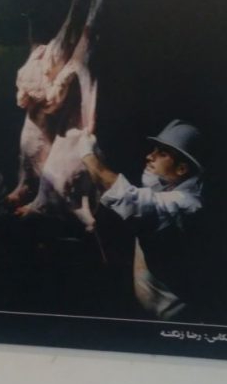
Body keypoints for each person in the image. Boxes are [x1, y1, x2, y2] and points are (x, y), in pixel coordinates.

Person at [78, 120, 204, 321]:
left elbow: (128, 197)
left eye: (162, 153)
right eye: (154, 150)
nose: (149, 156)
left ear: (181, 169)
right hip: (151, 313)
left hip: (177, 318)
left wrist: (87, 154)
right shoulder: (169, 188)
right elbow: (122, 191)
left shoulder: (185, 204)